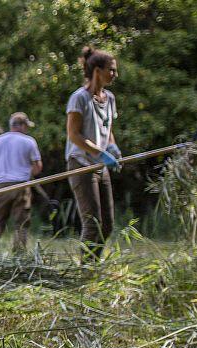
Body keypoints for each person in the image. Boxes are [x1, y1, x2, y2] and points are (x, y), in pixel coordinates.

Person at [65, 46, 122, 260]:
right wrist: (100, 153)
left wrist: (113, 149)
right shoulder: (79, 98)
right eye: (112, 70)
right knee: (93, 223)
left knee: (107, 225)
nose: (115, 74)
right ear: (97, 71)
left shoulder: (110, 99)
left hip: (100, 165)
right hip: (81, 164)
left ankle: (93, 265)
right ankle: (86, 272)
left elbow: (108, 130)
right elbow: (74, 135)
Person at [0, 112, 43, 253]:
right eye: (26, 126)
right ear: (22, 126)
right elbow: (37, 167)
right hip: (20, 185)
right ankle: (19, 254)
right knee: (21, 222)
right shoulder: (29, 141)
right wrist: (28, 172)